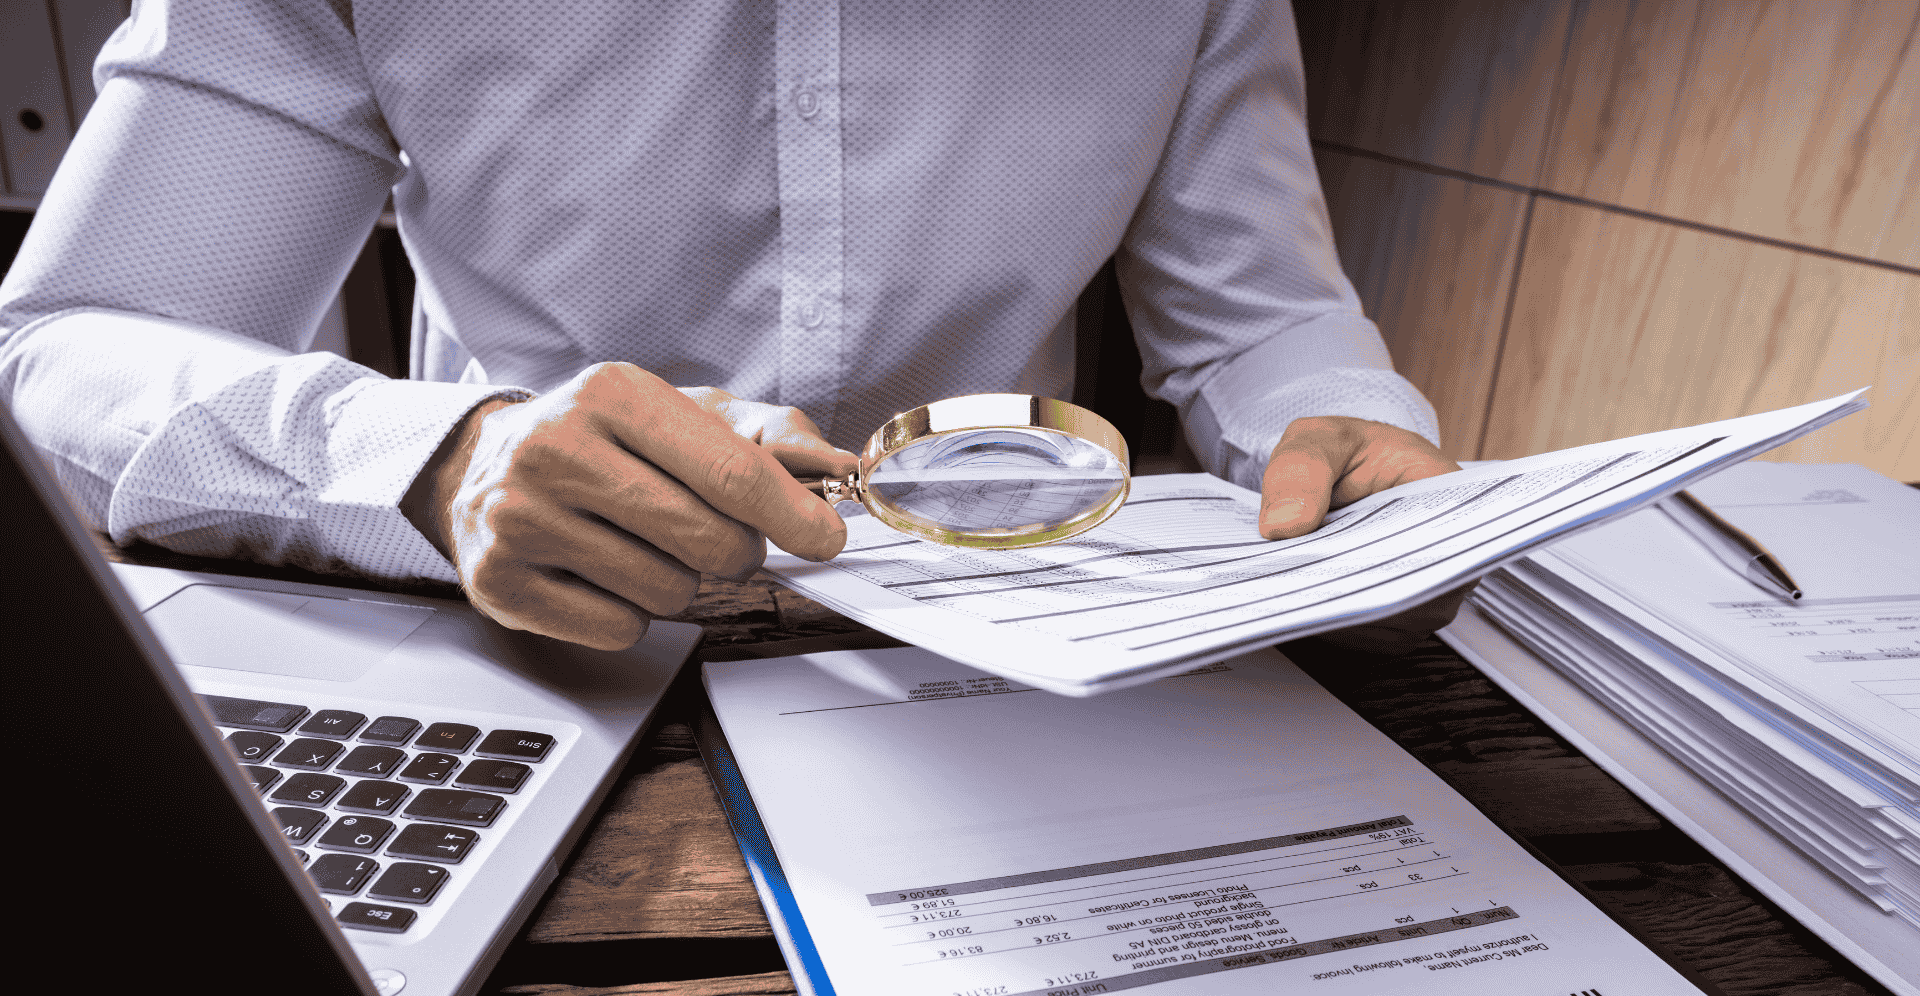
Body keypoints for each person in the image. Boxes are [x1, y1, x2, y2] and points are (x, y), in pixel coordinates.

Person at [0, 0, 1464, 655]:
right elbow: (72, 338)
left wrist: (1341, 422)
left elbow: (1266, 321)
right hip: (532, 640)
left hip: (1016, 646)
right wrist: (439, 459)